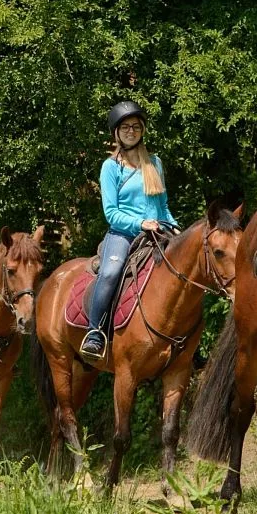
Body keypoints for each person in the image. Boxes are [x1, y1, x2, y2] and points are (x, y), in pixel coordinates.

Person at [80, 101, 178, 361]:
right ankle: (94, 332)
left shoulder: (154, 163)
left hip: (159, 230)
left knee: (186, 268)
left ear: (143, 130)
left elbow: (162, 204)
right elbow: (111, 212)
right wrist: (139, 223)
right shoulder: (111, 167)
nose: (131, 131)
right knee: (111, 273)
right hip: (124, 234)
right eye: (125, 127)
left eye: (136, 126)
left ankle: (186, 340)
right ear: (116, 133)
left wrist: (174, 225)